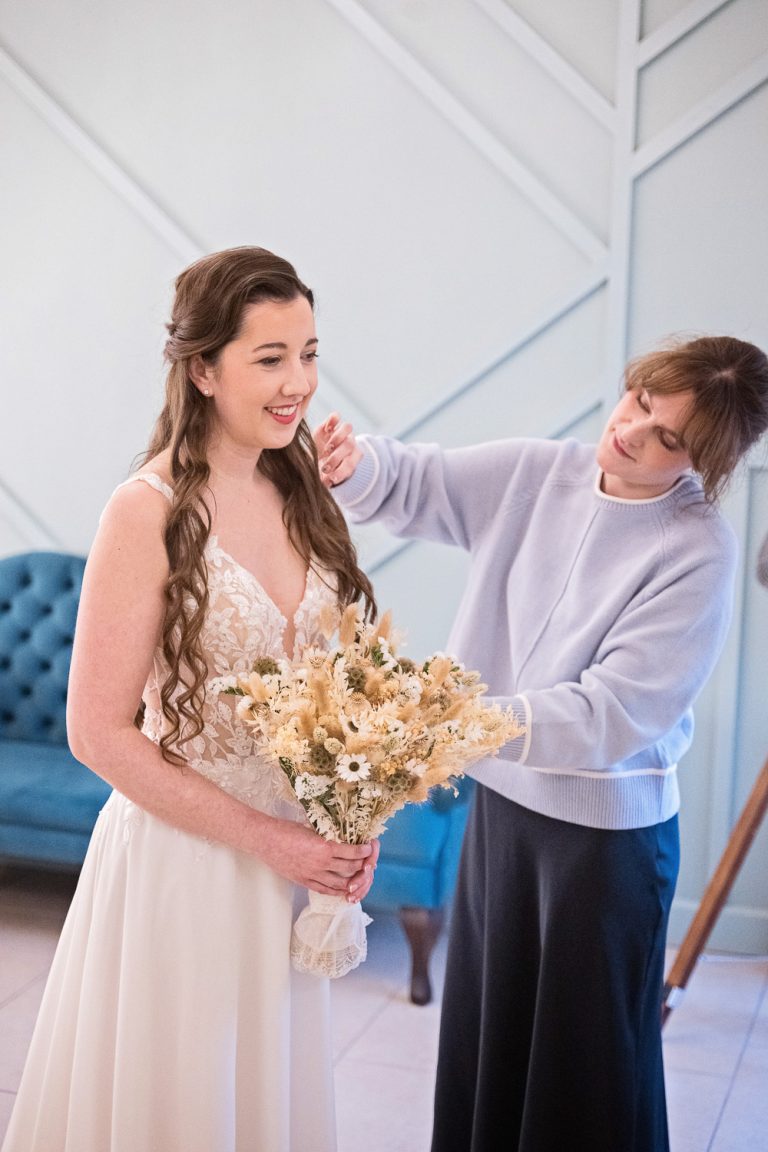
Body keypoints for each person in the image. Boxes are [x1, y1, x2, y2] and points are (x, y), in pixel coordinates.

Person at [313, 334, 768, 1152]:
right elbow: (417, 482)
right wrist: (355, 466)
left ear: (703, 462)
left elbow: (609, 715)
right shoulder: (538, 472)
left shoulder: (698, 551)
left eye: (667, 435)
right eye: (639, 401)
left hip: (604, 847)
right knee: (487, 1038)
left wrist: (454, 721)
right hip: (502, 813)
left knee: (583, 1072)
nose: (631, 430)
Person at [2, 246, 380, 1152]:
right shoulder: (148, 508)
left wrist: (352, 814)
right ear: (203, 369)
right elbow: (96, 733)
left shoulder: (305, 495)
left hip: (290, 870)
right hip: (184, 867)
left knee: (258, 1102)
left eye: (309, 354)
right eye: (270, 358)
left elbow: (333, 692)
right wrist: (270, 840)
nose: (299, 383)